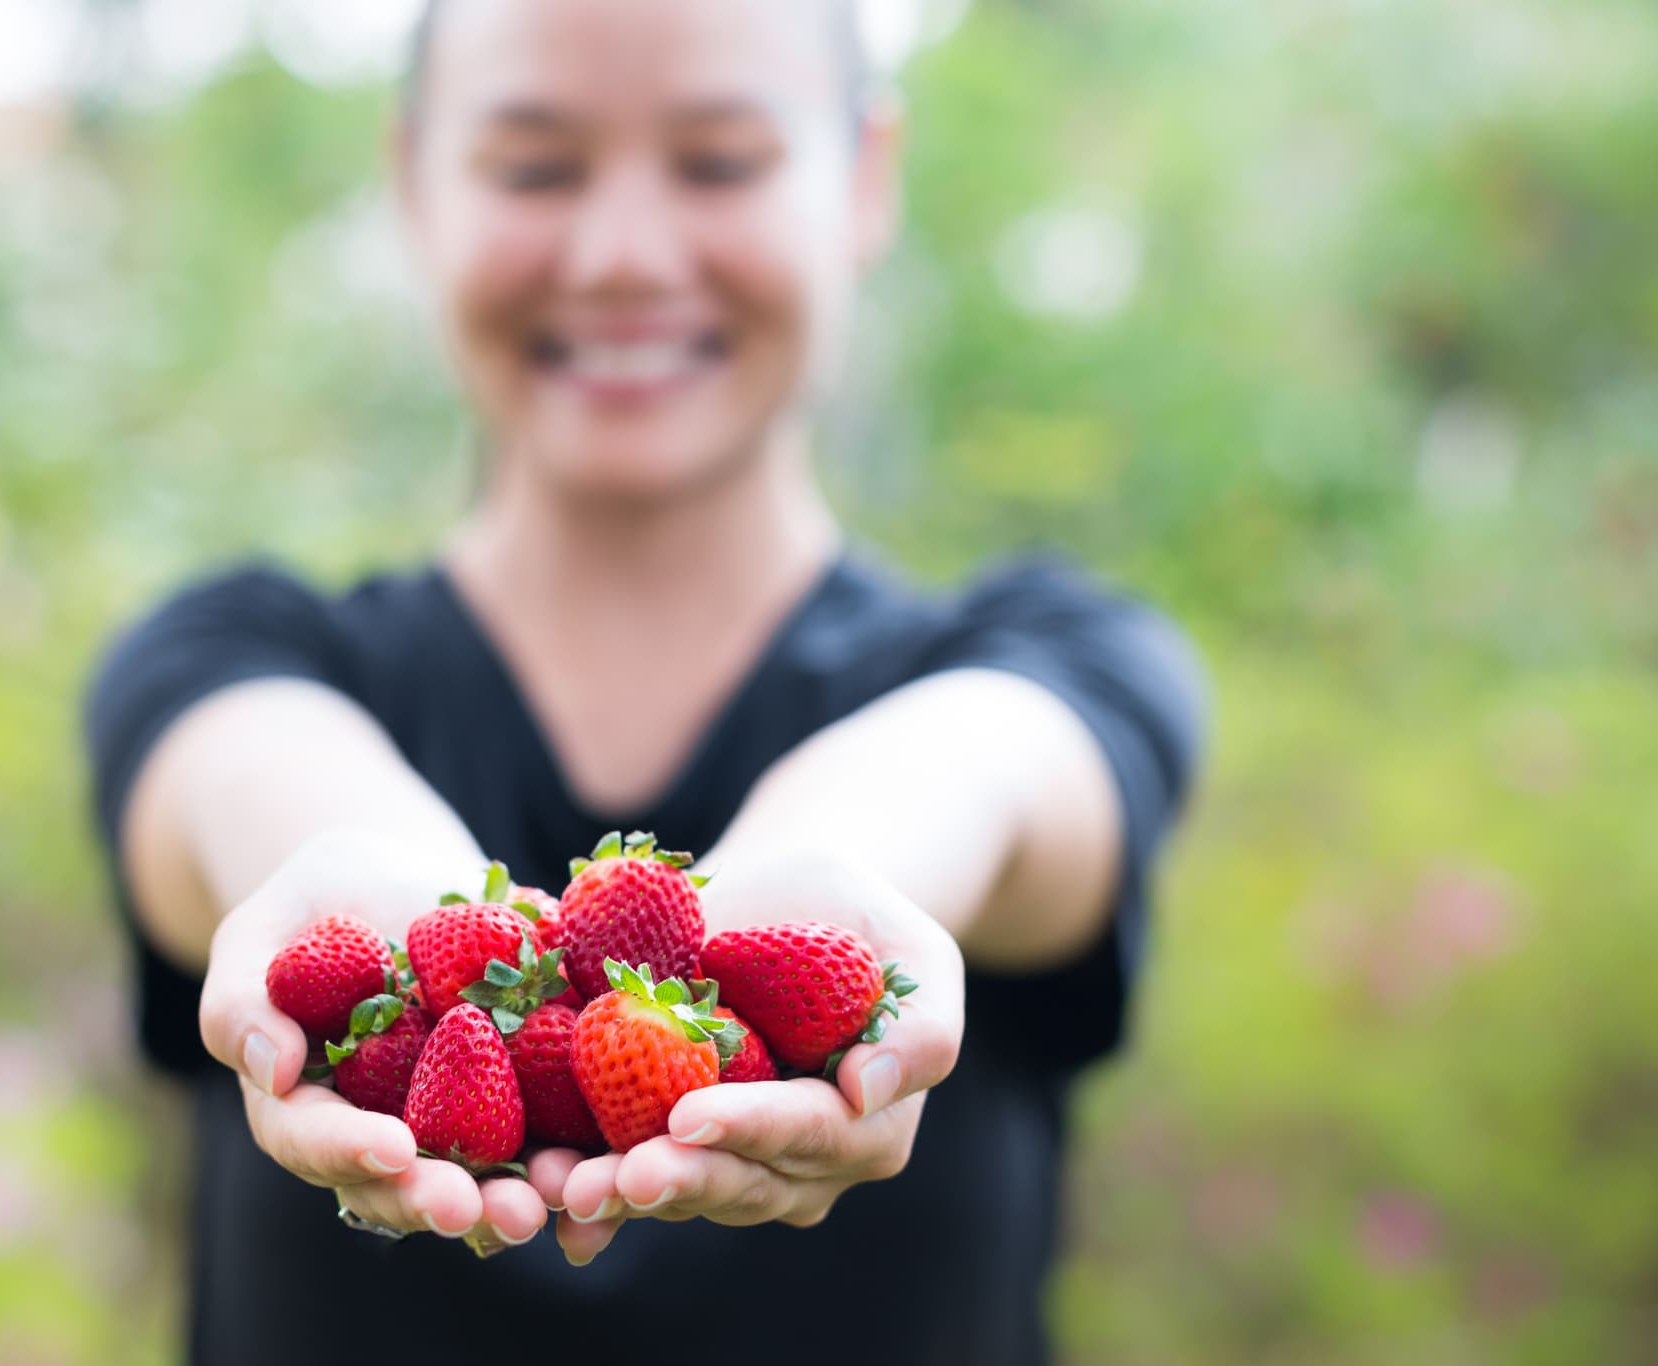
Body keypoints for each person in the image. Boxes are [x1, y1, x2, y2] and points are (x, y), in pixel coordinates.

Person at [84, 0, 1205, 1361]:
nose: (623, 255)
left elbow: (989, 766)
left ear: (865, 180)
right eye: (535, 166)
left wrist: (826, 880)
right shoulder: (233, 651)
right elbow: (244, 771)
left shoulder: (1053, 655)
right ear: (415, 186)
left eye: (720, 161)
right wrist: (403, 919)